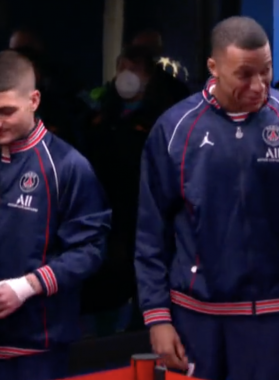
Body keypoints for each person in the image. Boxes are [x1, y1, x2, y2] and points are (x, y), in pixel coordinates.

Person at [135, 16, 279, 380]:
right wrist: (157, 316)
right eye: (244, 74)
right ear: (213, 68)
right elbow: (152, 230)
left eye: (265, 71)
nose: (258, 84)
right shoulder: (174, 129)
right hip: (196, 315)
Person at [0, 50, 111, 380]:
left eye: (6, 111)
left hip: (35, 353)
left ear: (34, 100)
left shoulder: (68, 167)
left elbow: (91, 250)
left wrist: (27, 286)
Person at [79, 45, 190, 335]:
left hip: (147, 213)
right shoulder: (102, 113)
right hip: (106, 214)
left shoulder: (165, 115)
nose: (126, 74)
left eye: (134, 67)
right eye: (121, 67)